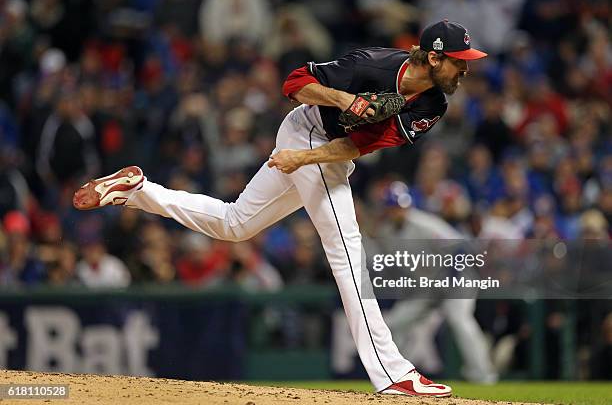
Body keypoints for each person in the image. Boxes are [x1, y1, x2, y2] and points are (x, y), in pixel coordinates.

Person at [73, 20, 487, 397]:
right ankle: (392, 373)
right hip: (306, 128)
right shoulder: (373, 65)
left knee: (235, 225)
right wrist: (343, 98)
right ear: (433, 57)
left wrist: (302, 160)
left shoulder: (433, 105)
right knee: (348, 254)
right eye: (459, 62)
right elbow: (295, 82)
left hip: (321, 152)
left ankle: (137, 190)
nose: (465, 70)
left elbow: (360, 145)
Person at [377, 181, 498, 384]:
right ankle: (395, 375)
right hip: (427, 286)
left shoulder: (424, 223)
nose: (399, 211)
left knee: (460, 320)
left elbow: (460, 248)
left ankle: (484, 375)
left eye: (402, 206)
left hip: (457, 280)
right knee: (396, 323)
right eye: (394, 207)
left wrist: (450, 280)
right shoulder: (386, 232)